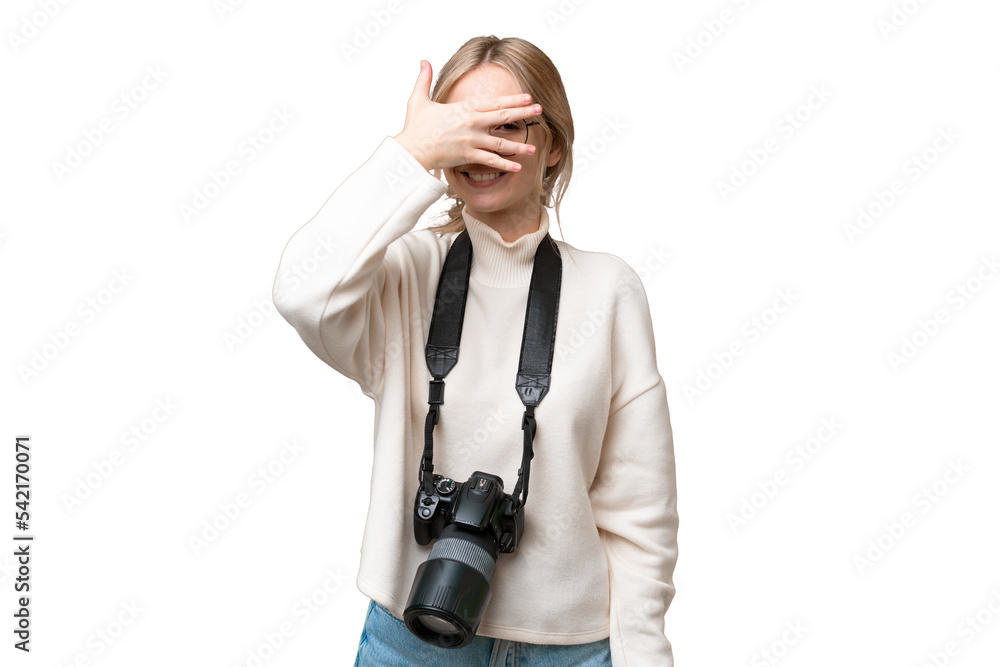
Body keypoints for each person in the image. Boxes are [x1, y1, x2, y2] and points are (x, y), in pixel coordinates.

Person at [272, 35, 679, 667]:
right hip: (412, 635)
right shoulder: (401, 275)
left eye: (508, 126)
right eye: (464, 126)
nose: (482, 147)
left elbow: (640, 511)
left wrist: (644, 655)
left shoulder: (609, 290)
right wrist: (409, 154)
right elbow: (301, 292)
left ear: (554, 147)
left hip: (570, 647)